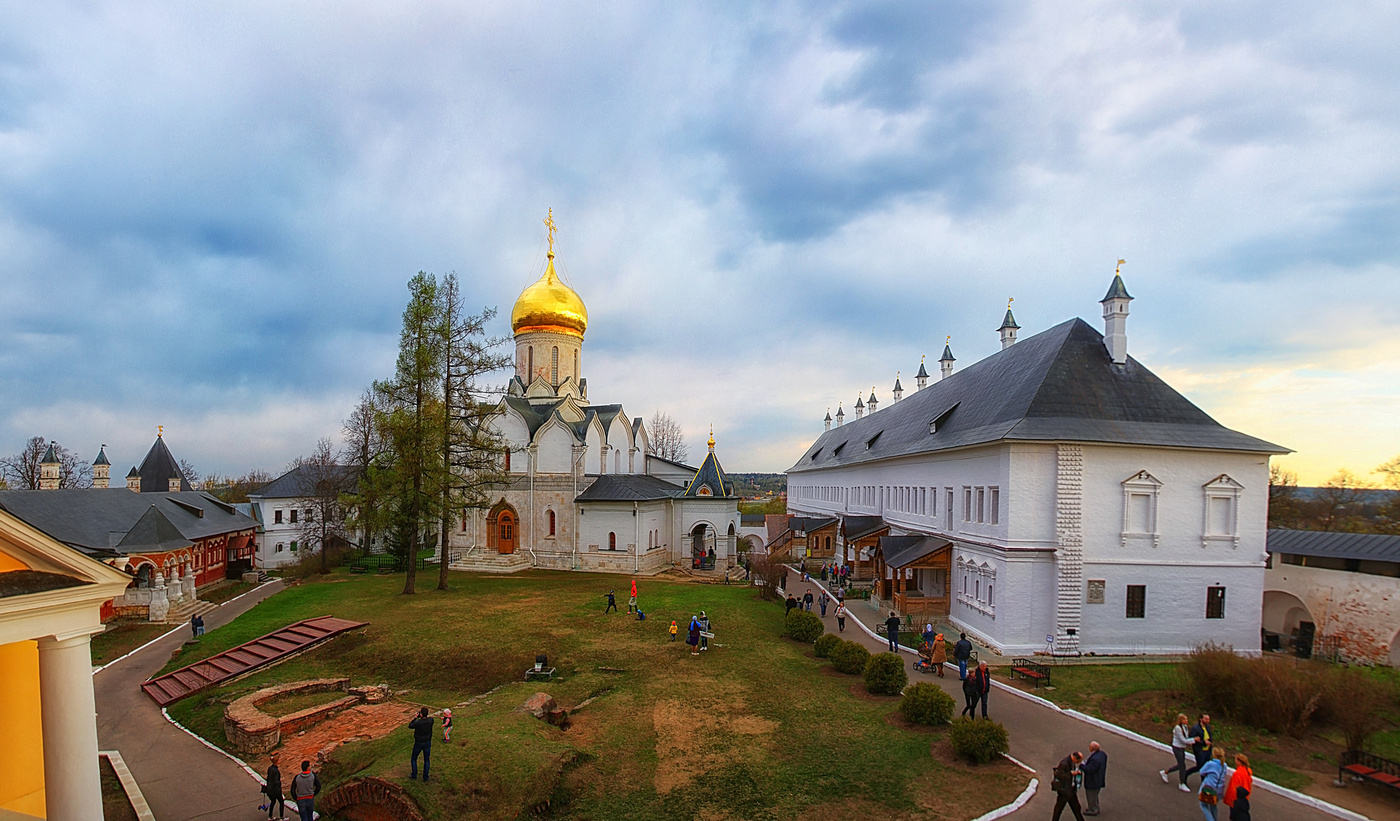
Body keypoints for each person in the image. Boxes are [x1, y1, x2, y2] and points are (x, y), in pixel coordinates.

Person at [1161, 713, 1198, 792]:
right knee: (1182, 766)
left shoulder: (1185, 727)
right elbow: (1183, 740)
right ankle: (1182, 782)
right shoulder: (1178, 728)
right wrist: (1193, 740)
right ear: (1180, 720)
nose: (1186, 721)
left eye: (1186, 719)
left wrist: (1192, 740)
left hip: (1182, 748)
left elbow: (1186, 738)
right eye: (1185, 719)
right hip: (1177, 748)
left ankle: (1165, 772)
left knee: (1180, 765)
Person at [1052, 751, 1086, 821]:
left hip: (1071, 790)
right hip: (1064, 791)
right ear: (1075, 758)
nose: (1078, 763)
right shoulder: (1064, 763)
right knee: (1059, 809)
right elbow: (1059, 775)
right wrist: (1070, 774)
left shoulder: (1071, 762)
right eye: (1078, 761)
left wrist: (1076, 772)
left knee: (1076, 808)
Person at [1197, 749, 1228, 821]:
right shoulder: (1224, 765)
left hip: (1208, 788)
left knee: (1203, 804)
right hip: (1219, 789)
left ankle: (1210, 819)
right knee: (1213, 805)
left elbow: (1201, 772)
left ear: (1214, 755)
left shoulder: (1210, 764)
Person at [1082, 740, 1107, 815]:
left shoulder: (1095, 759)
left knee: (1091, 796)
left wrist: (1082, 766)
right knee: (1095, 796)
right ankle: (1095, 807)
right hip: (1099, 779)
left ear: (1092, 748)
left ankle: (1093, 810)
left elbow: (1090, 769)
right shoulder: (1102, 754)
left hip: (1093, 781)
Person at [408, 706, 433, 781]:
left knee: (414, 758)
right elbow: (428, 719)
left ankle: (414, 774)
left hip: (419, 742)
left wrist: (416, 717)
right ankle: (425, 777)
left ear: (421, 714)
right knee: (427, 760)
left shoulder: (418, 722)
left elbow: (410, 726)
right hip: (427, 742)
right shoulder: (431, 720)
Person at [263, 755, 285, 819]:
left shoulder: (270, 768)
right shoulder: (276, 771)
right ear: (277, 762)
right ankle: (281, 817)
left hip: (269, 789)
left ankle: (270, 816)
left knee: (273, 801)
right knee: (281, 802)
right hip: (275, 790)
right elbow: (276, 781)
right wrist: (279, 785)